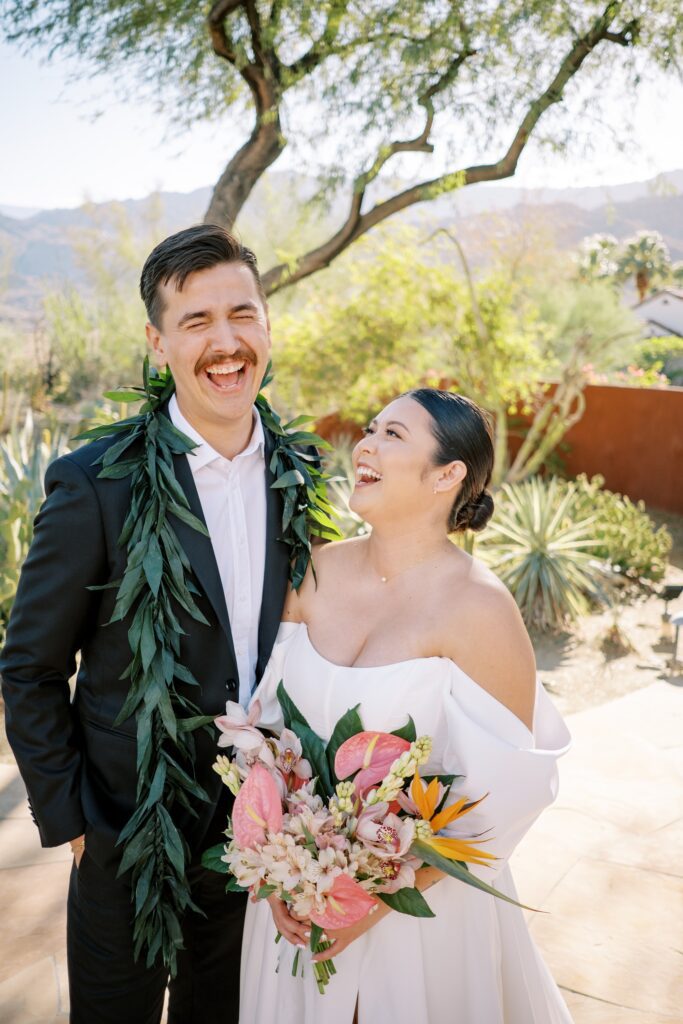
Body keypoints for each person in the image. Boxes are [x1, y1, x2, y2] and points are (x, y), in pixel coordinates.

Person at [0, 224, 296, 1024]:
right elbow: (27, 666)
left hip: (257, 843)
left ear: (268, 323)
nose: (226, 343)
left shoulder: (301, 478)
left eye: (243, 314)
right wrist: (75, 825)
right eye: (196, 322)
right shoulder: (95, 483)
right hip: (125, 840)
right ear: (156, 342)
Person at [240, 388, 574, 1023]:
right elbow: (269, 732)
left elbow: (506, 797)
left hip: (421, 921)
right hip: (294, 905)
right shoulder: (310, 572)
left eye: (393, 435)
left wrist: (370, 898)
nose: (364, 445)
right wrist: (276, 867)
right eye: (370, 429)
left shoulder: (481, 608)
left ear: (448, 475)